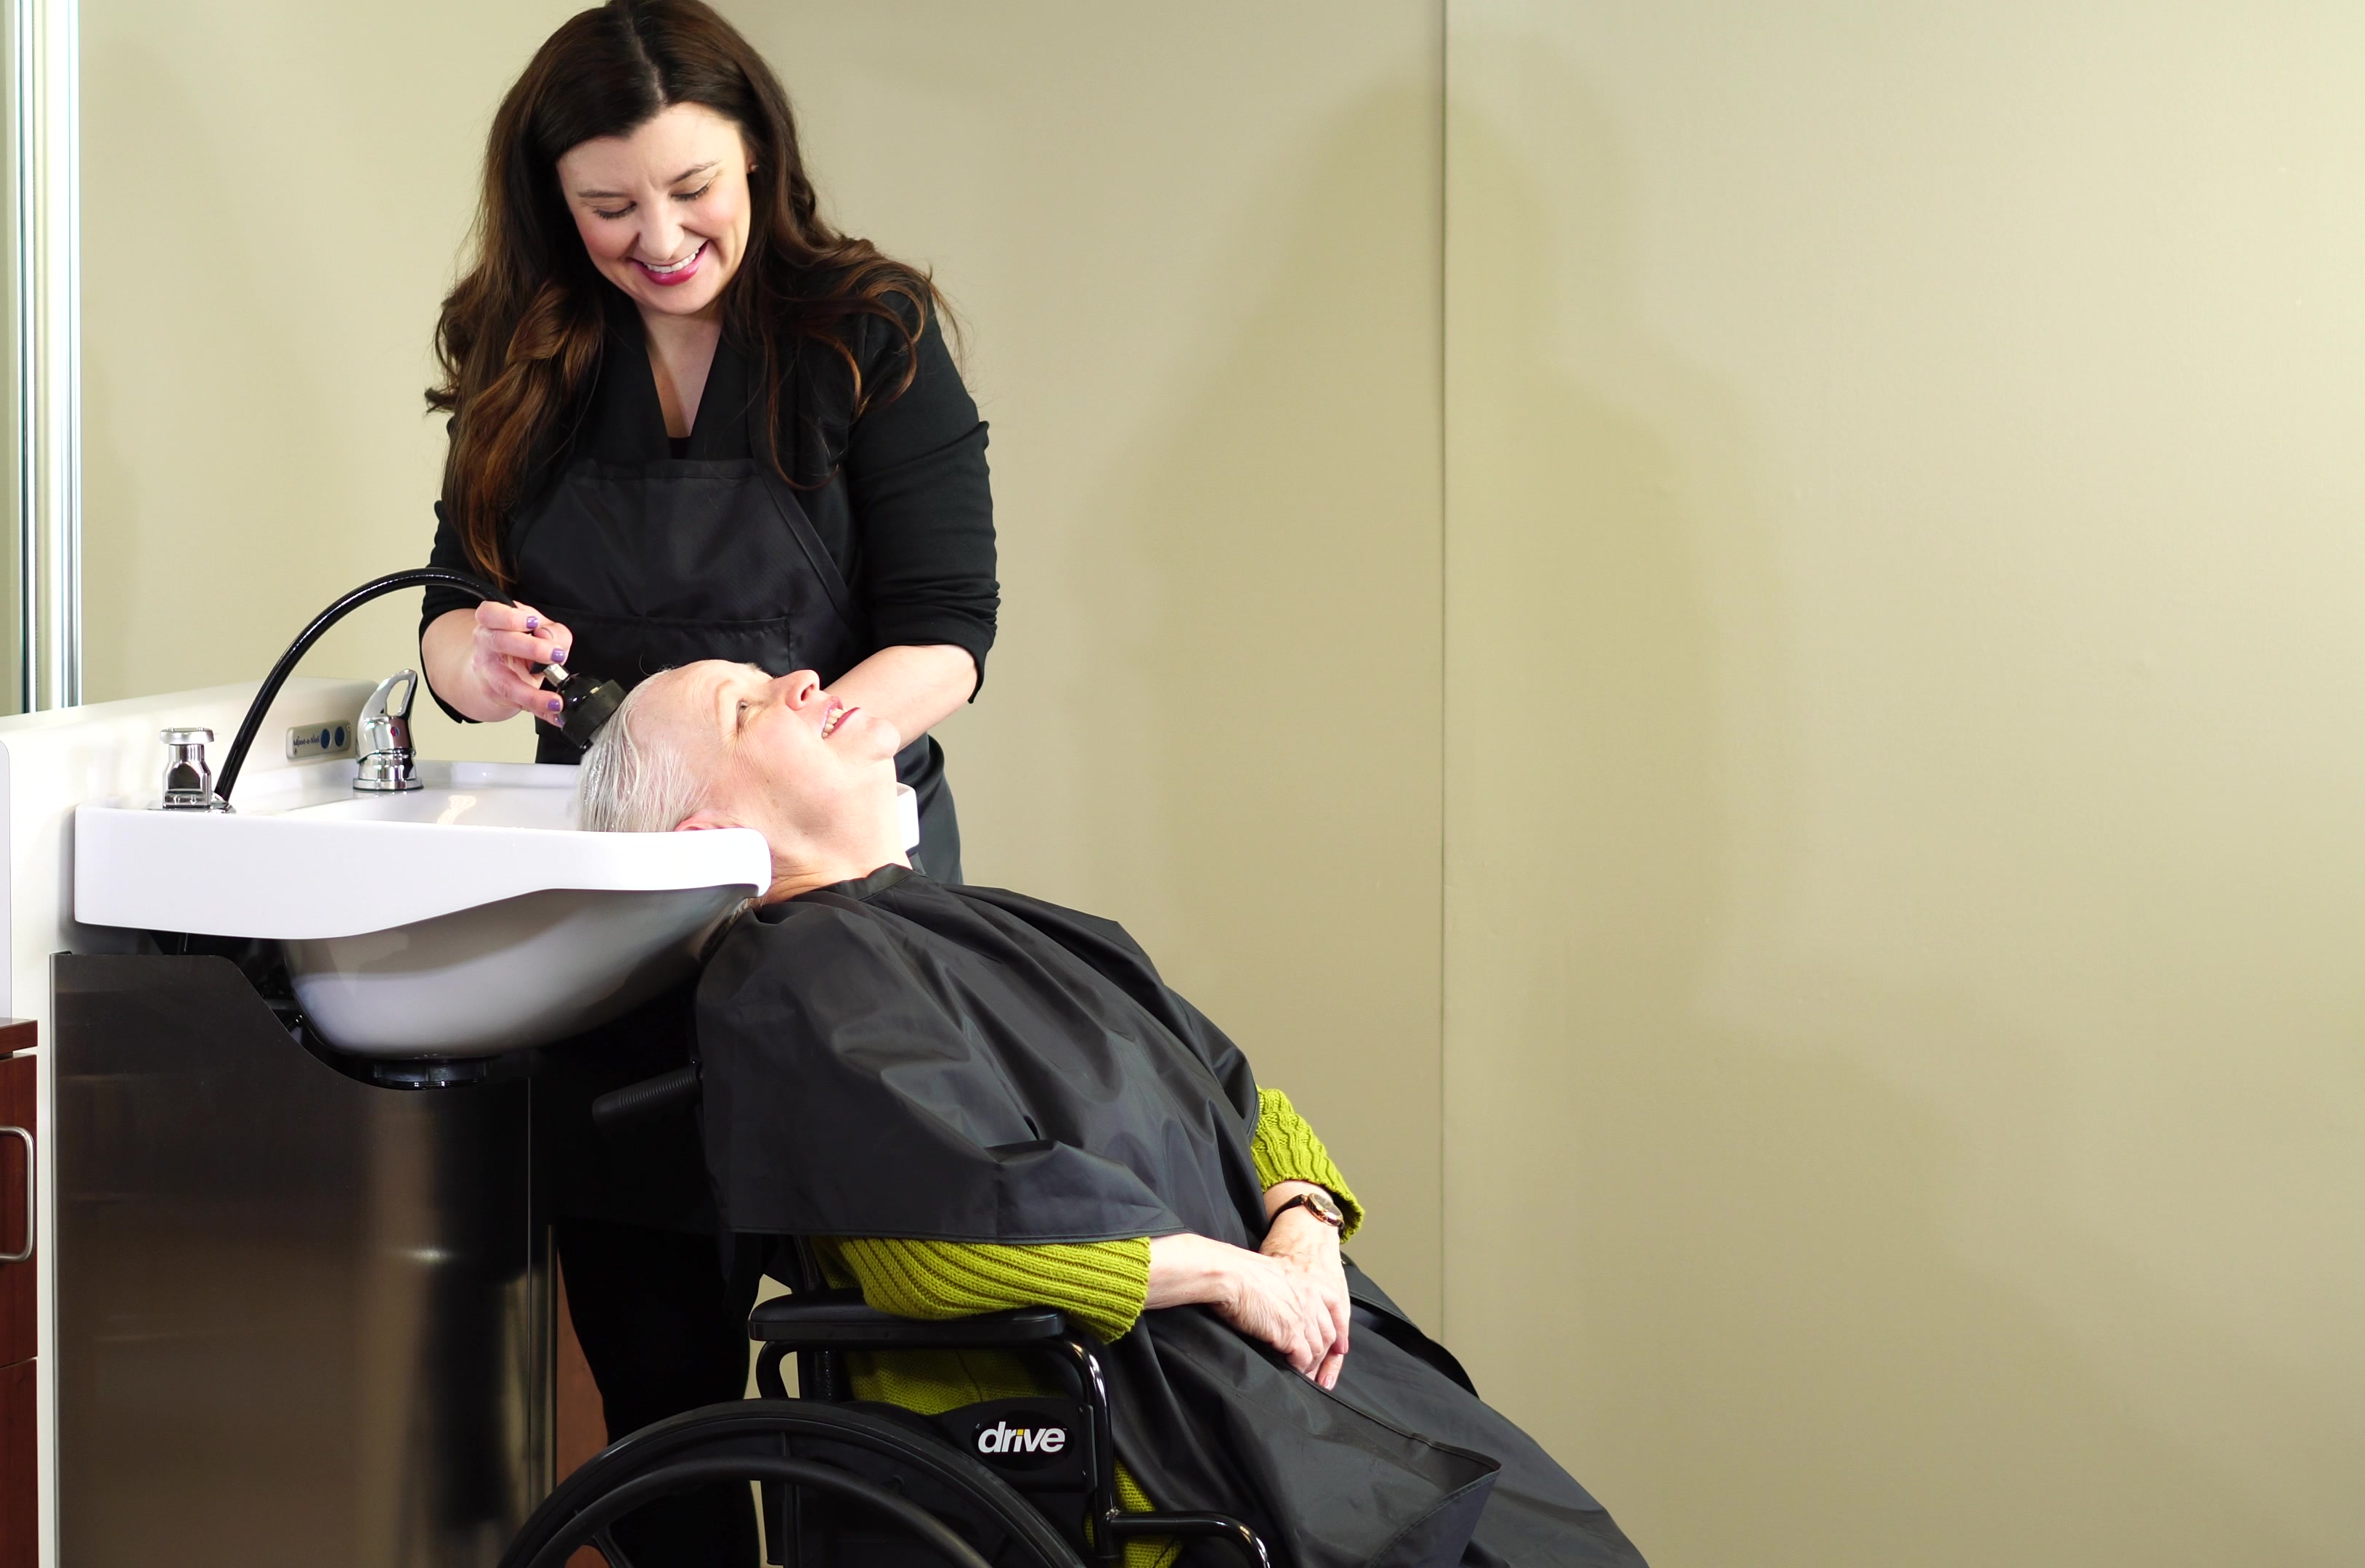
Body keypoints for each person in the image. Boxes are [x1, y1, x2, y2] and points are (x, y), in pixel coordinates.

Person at [574, 661, 1650, 1568]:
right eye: (748, 709)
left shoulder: (993, 924)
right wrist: (1228, 1275)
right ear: (705, 831)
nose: (804, 678)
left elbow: (1234, 1089)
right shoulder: (794, 978)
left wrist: (1305, 1220)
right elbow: (931, 1251)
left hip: (1295, 1349)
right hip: (1159, 1405)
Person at [412, 4, 998, 1561]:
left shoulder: (867, 330)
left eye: (695, 190)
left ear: (760, 158)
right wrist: (472, 658)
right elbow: (446, 608)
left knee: (881, 1352)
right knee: (659, 1377)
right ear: (553, 203)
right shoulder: (524, 351)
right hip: (614, 923)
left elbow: (948, 634)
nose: (660, 238)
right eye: (610, 209)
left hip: (835, 913)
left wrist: (790, 759)